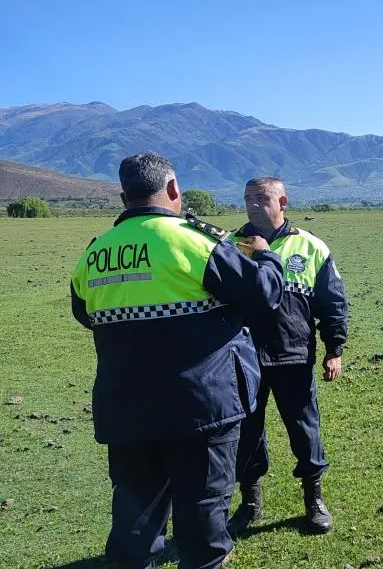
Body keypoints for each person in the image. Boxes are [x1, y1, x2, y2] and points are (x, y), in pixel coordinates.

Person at [70, 152, 283, 569]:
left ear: (123, 196)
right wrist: (265, 254)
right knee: (203, 524)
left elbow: (85, 314)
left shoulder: (94, 255)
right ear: (172, 190)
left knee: (135, 523)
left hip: (126, 411)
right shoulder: (191, 241)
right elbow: (264, 296)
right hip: (200, 409)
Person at [229, 177, 350, 536]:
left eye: (262, 198)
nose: (253, 204)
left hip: (293, 355)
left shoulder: (310, 246)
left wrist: (334, 349)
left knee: (304, 429)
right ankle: (250, 503)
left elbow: (333, 303)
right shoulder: (232, 246)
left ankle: (314, 500)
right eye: (248, 198)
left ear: (283, 202)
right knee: (246, 432)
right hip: (244, 357)